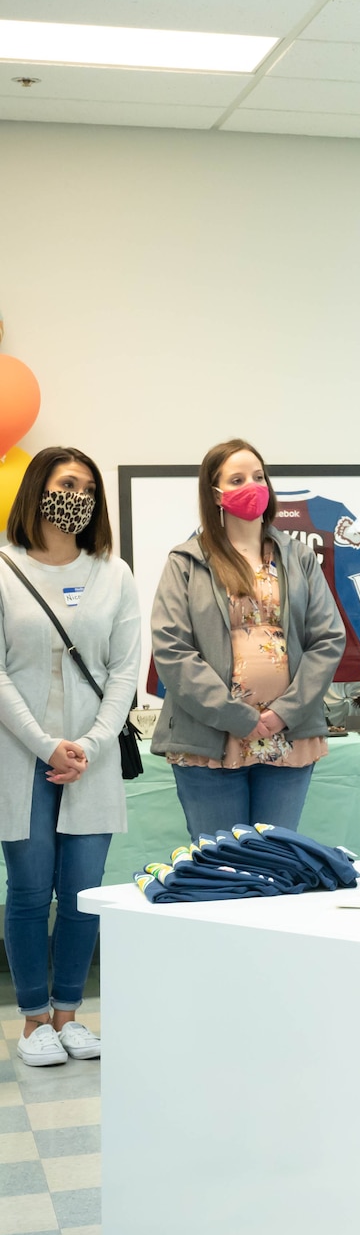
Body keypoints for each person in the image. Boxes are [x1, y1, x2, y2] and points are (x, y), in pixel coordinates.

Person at [0, 448, 140, 1067]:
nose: (76, 495)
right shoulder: (3, 568)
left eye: (86, 486)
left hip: (94, 755)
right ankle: (34, 1022)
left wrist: (87, 745)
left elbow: (124, 670)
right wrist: (43, 743)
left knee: (84, 892)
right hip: (18, 751)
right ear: (37, 491)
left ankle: (70, 1014)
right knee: (30, 891)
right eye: (64, 484)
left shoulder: (115, 573)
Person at [152, 440, 345, 841]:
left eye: (259, 477)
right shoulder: (186, 561)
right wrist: (239, 717)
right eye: (237, 479)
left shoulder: (298, 557)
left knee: (275, 861)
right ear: (215, 494)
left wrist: (282, 713)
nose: (252, 486)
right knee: (223, 867)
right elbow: (172, 650)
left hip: (288, 735)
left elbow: (327, 638)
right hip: (210, 740)